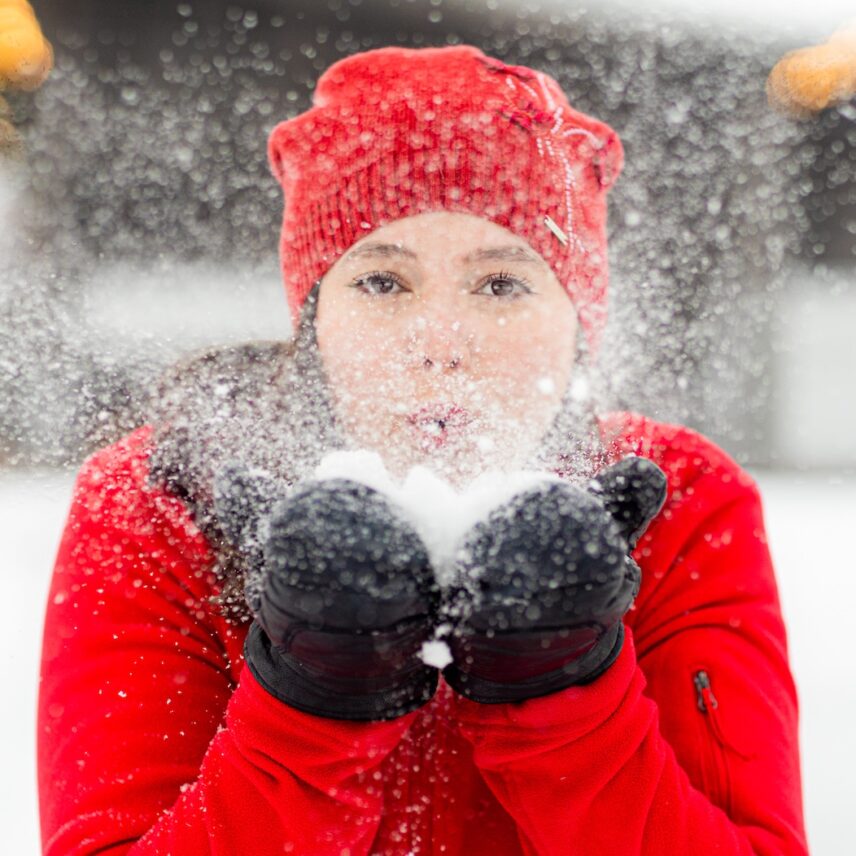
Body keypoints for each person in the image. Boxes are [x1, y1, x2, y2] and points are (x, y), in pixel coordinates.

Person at [37, 44, 809, 855]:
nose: (441, 343)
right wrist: (311, 698)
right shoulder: (161, 503)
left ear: (578, 323)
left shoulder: (680, 500)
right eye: (382, 282)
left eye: (502, 284)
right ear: (314, 319)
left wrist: (566, 694)